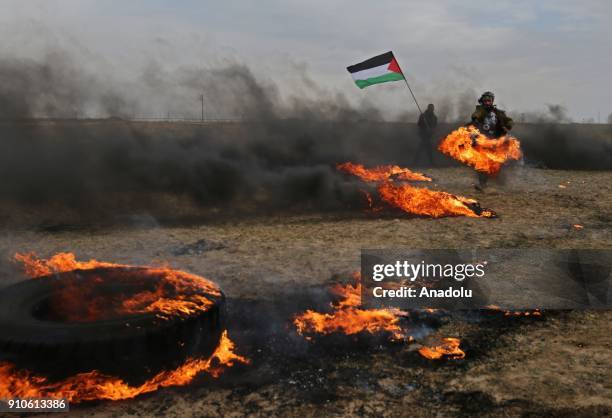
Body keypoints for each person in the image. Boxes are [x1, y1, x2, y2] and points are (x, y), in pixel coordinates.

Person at [468, 91, 513, 191]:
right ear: (482, 101)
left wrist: (508, 125)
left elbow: (508, 121)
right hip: (483, 141)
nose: (487, 102)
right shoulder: (480, 111)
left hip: (495, 141)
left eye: (489, 100)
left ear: (492, 101)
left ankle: (499, 180)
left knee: (498, 162)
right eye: (485, 100)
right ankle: (482, 184)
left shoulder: (497, 112)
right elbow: (476, 115)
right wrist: (475, 120)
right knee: (482, 162)